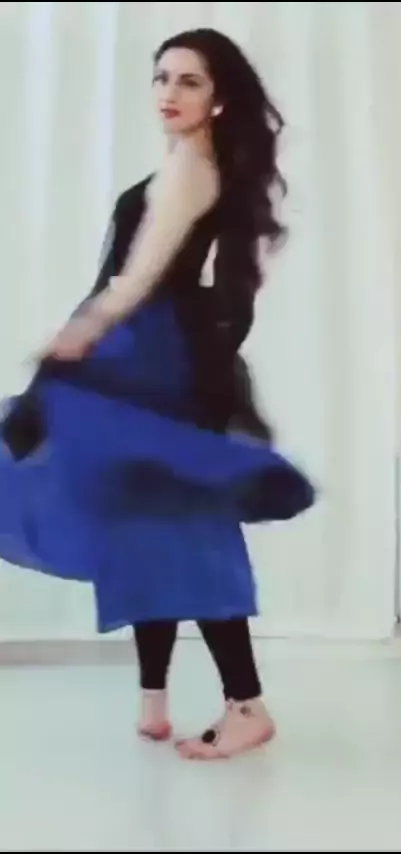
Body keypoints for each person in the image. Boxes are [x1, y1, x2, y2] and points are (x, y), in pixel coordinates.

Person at [0, 28, 317, 759]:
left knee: (181, 523)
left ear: (219, 98)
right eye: (162, 77)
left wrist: (83, 330)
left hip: (148, 354)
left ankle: (246, 704)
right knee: (143, 516)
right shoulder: (192, 166)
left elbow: (139, 276)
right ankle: (154, 699)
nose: (169, 93)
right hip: (148, 352)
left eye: (189, 81)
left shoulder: (190, 171)